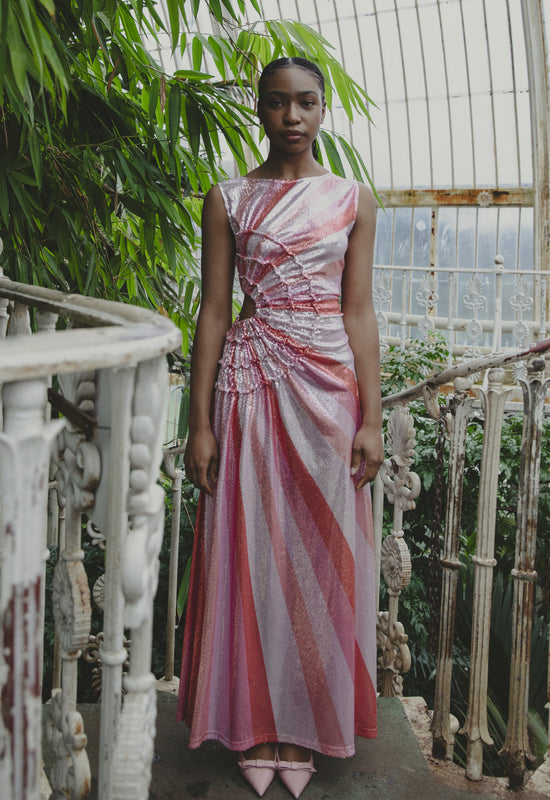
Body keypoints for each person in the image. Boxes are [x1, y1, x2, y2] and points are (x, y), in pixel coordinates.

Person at [177, 56, 384, 799]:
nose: (291, 117)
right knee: (252, 548)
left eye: (305, 103)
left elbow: (358, 310)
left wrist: (373, 417)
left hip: (329, 392)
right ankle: (255, 725)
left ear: (324, 110)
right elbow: (213, 311)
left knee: (319, 558)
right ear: (258, 111)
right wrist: (198, 423)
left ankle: (304, 727)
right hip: (251, 386)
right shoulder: (227, 197)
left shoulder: (353, 199)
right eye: (276, 104)